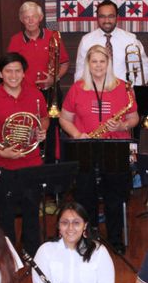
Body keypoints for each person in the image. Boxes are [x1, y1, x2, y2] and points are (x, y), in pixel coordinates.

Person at [59, 44, 140, 253]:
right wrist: (78, 135)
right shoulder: (78, 88)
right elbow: (64, 119)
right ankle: (88, 237)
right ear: (88, 63)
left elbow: (134, 118)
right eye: (94, 61)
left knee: (115, 196)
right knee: (85, 195)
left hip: (115, 147)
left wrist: (122, 125)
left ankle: (115, 240)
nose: (98, 66)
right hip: (85, 147)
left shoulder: (123, 87)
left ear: (108, 63)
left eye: (102, 61)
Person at [0, 52, 49, 255]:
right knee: (5, 214)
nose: (14, 75)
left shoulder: (35, 94)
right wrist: (1, 151)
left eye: (18, 71)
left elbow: (43, 118)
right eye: (8, 71)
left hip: (32, 163)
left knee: (32, 212)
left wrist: (42, 130)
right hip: (4, 165)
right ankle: (8, 255)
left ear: (24, 73)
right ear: (1, 73)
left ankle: (32, 253)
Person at [73, 0, 148, 85]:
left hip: (124, 92)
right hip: (94, 92)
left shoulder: (130, 40)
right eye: (102, 16)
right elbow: (80, 71)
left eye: (111, 16)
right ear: (97, 18)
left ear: (117, 17)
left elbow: (144, 68)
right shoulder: (86, 41)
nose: (107, 20)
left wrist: (134, 90)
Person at [6, 1, 69, 92]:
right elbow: (9, 68)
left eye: (34, 17)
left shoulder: (53, 37)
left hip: (50, 90)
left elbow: (64, 63)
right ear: (21, 20)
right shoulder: (15, 40)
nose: (31, 21)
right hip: (24, 92)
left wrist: (54, 78)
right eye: (27, 17)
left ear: (40, 18)